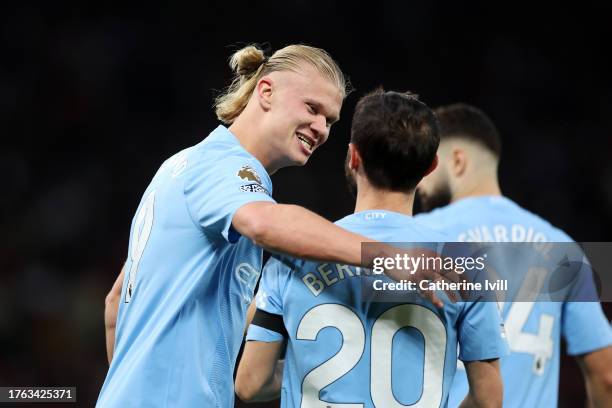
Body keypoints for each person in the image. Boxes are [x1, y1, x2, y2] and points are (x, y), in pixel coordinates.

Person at [97, 44, 384, 408]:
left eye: (330, 121)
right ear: (266, 92)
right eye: (312, 108)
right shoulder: (225, 168)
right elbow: (264, 223)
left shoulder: (180, 165)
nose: (322, 129)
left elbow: (114, 304)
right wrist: (385, 256)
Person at [235, 90, 506, 408]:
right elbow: (488, 399)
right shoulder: (465, 266)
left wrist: (306, 370)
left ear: (353, 157)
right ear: (431, 167)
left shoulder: (291, 258)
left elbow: (251, 384)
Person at [415, 103, 612, 407]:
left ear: (457, 161)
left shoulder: (416, 237)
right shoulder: (565, 247)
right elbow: (606, 376)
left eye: (428, 164)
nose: (420, 181)